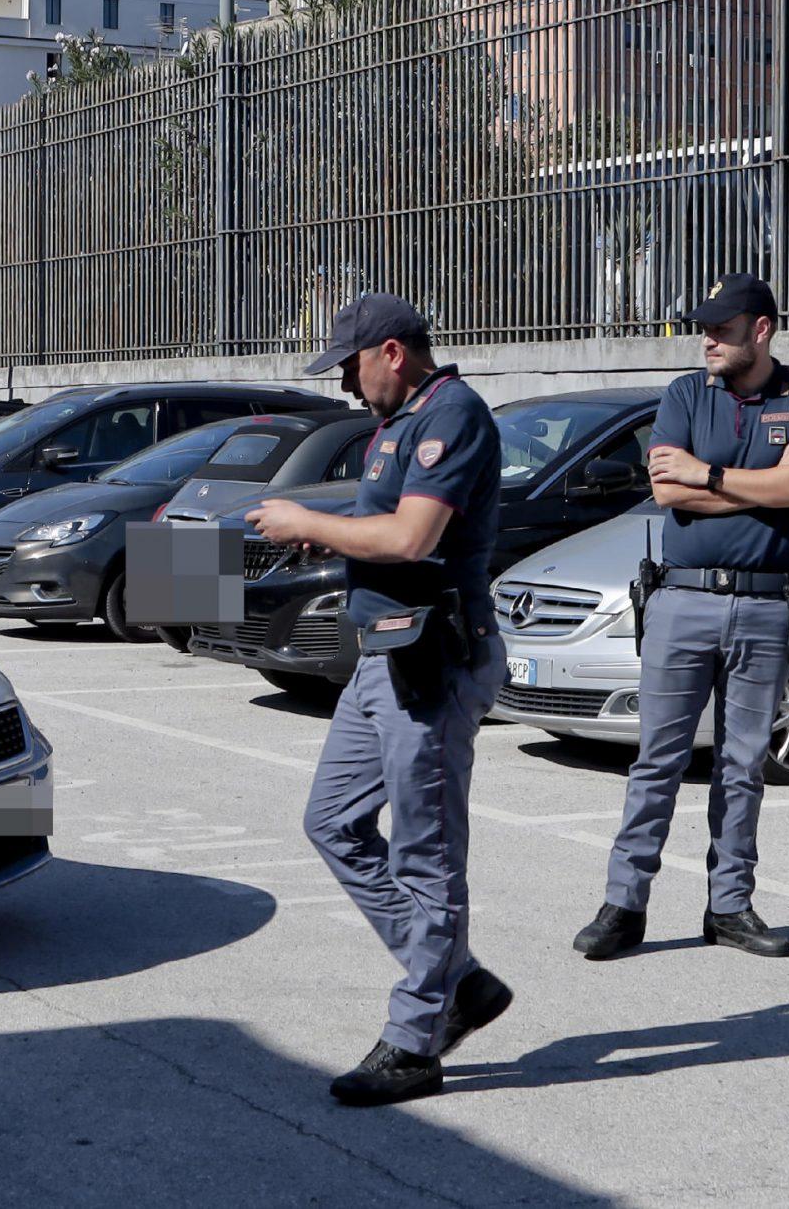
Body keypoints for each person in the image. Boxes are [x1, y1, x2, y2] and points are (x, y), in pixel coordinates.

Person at [248, 293, 510, 1107]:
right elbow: (379, 517)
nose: (348, 387)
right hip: (382, 655)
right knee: (330, 820)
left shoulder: (453, 415)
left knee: (425, 857)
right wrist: (308, 519)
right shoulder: (395, 423)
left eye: (353, 367)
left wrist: (307, 521)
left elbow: (410, 538)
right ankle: (457, 979)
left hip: (431, 659)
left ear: (392, 352)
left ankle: (416, 1037)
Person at [573, 273, 789, 963]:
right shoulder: (686, 393)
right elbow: (667, 489)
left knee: (744, 763)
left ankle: (729, 905)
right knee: (656, 760)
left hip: (764, 603)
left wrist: (710, 476)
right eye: (704, 326)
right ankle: (623, 904)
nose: (707, 338)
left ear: (762, 329)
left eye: (721, 327)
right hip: (682, 600)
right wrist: (761, 490)